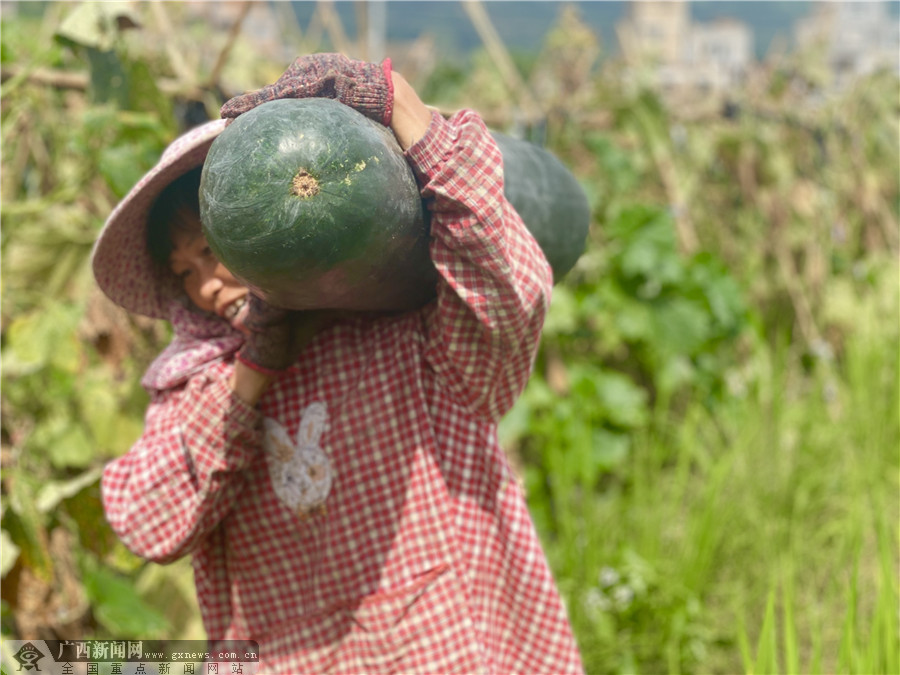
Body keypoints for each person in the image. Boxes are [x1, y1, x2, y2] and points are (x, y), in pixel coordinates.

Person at [93, 53, 584, 674]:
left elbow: (510, 305)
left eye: (213, 251)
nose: (206, 286)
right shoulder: (202, 380)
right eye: (184, 273)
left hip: (445, 647)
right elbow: (146, 523)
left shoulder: (402, 328)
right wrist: (256, 370)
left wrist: (399, 103)